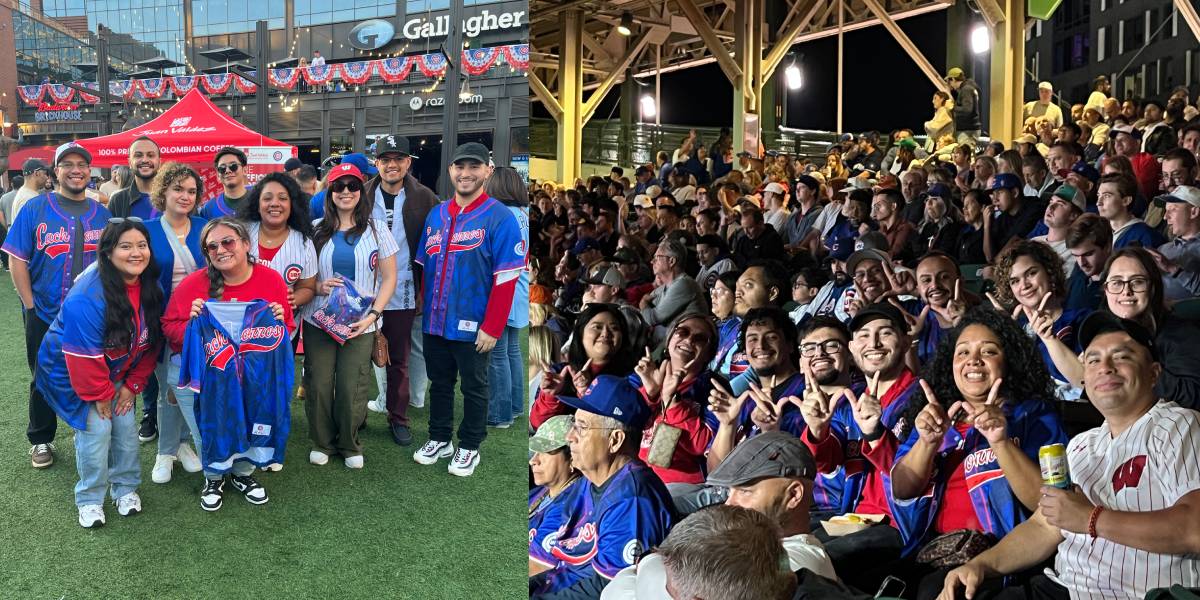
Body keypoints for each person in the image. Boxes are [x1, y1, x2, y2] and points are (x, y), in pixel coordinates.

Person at [939, 313, 1200, 599]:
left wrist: (1092, 518)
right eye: (1093, 360)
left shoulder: (1179, 425)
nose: (1105, 368)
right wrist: (980, 565)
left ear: (1154, 374)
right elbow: (1044, 526)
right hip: (1064, 588)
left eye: (1122, 357)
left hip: (1139, 593)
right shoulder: (1080, 446)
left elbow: (1194, 530)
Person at [890, 307, 1068, 596]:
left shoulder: (1034, 415)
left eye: (988, 351)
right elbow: (902, 489)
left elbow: (1051, 505)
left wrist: (1000, 442)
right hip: (931, 551)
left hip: (999, 558)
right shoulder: (936, 416)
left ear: (1009, 361)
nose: (973, 360)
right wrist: (927, 443)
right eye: (962, 352)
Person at [160, 217, 294, 511]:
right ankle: (213, 477)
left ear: (245, 244)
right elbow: (168, 326)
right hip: (204, 374)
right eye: (212, 247)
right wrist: (194, 327)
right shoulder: (194, 284)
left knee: (248, 422)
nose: (220, 250)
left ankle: (242, 474)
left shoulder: (270, 280)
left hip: (252, 374)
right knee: (208, 429)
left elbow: (285, 328)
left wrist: (279, 320)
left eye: (228, 242)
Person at [35, 219, 162, 527]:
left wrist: (132, 385)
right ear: (107, 252)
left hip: (114, 369)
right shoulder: (87, 296)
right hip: (69, 371)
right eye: (125, 246)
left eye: (142, 245)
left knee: (125, 428)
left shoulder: (150, 287)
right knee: (97, 430)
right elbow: (82, 357)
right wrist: (100, 395)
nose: (136, 253)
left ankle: (125, 488)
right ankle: (90, 498)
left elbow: (152, 343)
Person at [412, 143, 523, 477]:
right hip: (435, 320)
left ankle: (470, 445)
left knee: (474, 387)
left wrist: (493, 326)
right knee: (439, 382)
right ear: (450, 171)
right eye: (460, 167)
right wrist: (422, 305)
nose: (466, 174)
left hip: (474, 323)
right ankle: (439, 437)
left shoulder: (500, 216)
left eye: (474, 167)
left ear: (488, 171)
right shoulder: (437, 214)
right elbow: (424, 266)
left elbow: (506, 277)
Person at [3, 142, 112, 469]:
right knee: (43, 374)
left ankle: (88, 433)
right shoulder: (35, 208)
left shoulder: (103, 214)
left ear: (89, 171)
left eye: (82, 164)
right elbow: (17, 259)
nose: (76, 170)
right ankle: (41, 438)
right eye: (68, 164)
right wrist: (30, 305)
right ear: (55, 171)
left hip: (90, 314)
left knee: (92, 370)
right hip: (44, 309)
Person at [529, 376, 676, 599]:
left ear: (615, 440)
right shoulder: (587, 482)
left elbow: (610, 589)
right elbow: (560, 564)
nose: (570, 437)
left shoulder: (632, 500)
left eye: (581, 427)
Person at [304, 162, 398, 469]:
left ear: (361, 191)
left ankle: (349, 442)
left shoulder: (377, 228)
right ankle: (322, 441)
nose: (346, 191)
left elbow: (390, 278)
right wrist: (318, 287)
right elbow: (304, 277)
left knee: (352, 385)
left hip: (360, 323)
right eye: (338, 186)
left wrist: (374, 315)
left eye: (353, 185)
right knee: (318, 383)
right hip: (319, 320)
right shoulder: (315, 228)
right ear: (329, 192)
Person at [359, 134, 438, 444]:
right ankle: (356, 415)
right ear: (376, 163)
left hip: (403, 286)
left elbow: (433, 245)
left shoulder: (424, 197)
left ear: (408, 162)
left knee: (399, 358)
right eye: (385, 159)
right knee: (357, 357)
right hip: (363, 288)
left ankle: (398, 417)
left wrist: (425, 288)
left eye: (398, 159)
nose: (392, 165)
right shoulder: (362, 193)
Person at [143, 163, 208, 483]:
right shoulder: (146, 230)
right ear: (163, 191)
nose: (185, 196)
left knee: (192, 387)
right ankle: (166, 452)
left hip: (201, 324)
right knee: (168, 388)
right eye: (178, 189)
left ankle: (181, 445)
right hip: (159, 323)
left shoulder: (206, 227)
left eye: (192, 191)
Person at [1101, 247, 1200, 411]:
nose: (1126, 291)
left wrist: (1135, 365)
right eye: (1117, 283)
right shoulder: (1103, 334)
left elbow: (1194, 397)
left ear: (1153, 288)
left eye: (1137, 282)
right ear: (1106, 290)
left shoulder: (1181, 335)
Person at [991, 240, 1090, 401]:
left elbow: (1084, 382)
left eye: (1031, 273)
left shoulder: (1082, 320)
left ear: (1050, 272)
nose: (1024, 285)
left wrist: (1050, 339)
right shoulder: (1016, 329)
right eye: (1015, 281)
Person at [239, 172, 318, 331]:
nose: (274, 203)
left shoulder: (304, 243)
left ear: (292, 205)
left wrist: (294, 299)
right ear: (257, 204)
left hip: (284, 329)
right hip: (241, 325)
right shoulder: (240, 234)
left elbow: (308, 287)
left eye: (282, 198)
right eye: (267, 198)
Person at [483, 166, 530, 429]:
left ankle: (500, 414)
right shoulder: (524, 213)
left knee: (498, 353)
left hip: (506, 287)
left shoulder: (502, 215)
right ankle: (514, 406)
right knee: (512, 350)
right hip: (520, 286)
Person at [528, 415, 586, 576]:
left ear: (573, 457)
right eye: (536, 451)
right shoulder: (545, 490)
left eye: (545, 452)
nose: (534, 460)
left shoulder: (567, 507)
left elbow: (535, 568)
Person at [639, 237, 706, 342]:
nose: (652, 261)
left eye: (656, 257)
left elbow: (652, 318)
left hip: (688, 343)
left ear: (671, 261)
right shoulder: (666, 286)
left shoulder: (684, 284)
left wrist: (643, 302)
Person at [1153, 185, 1200, 300]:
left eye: (1173, 209)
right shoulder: (1163, 249)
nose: (1165, 217)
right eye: (1166, 210)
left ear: (1194, 212)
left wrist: (1172, 268)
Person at [1096, 173, 1164, 249]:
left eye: (1106, 196)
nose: (1098, 203)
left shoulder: (1145, 236)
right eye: (1098, 196)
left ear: (1126, 201)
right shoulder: (1099, 233)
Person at [107, 136, 163, 220]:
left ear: (159, 162)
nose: (144, 160)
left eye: (150, 155)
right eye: (138, 155)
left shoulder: (173, 198)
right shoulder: (118, 200)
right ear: (129, 162)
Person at [199, 147, 251, 219]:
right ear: (218, 175)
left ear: (245, 170)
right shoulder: (208, 209)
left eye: (233, 166)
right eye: (222, 168)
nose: (227, 171)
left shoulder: (259, 200)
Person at [946, 67, 982, 148]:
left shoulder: (966, 89)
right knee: (967, 152)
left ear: (953, 79)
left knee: (964, 153)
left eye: (949, 81)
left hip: (967, 130)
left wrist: (952, 107)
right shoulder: (971, 87)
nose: (950, 85)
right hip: (971, 129)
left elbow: (967, 110)